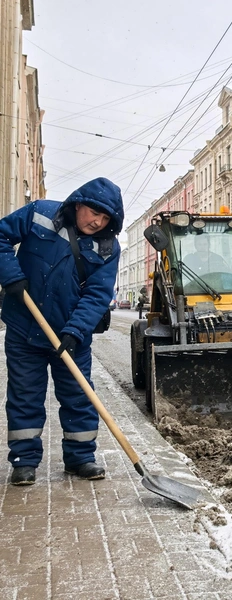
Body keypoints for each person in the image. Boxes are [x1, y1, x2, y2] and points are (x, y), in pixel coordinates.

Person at [0, 177, 124, 486]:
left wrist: (76, 331)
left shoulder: (108, 247)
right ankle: (24, 461)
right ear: (78, 204)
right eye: (94, 212)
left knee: (78, 396)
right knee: (25, 395)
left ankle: (80, 457)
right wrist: (11, 276)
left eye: (106, 217)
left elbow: (97, 294)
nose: (97, 221)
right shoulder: (39, 213)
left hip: (71, 335)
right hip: (24, 328)